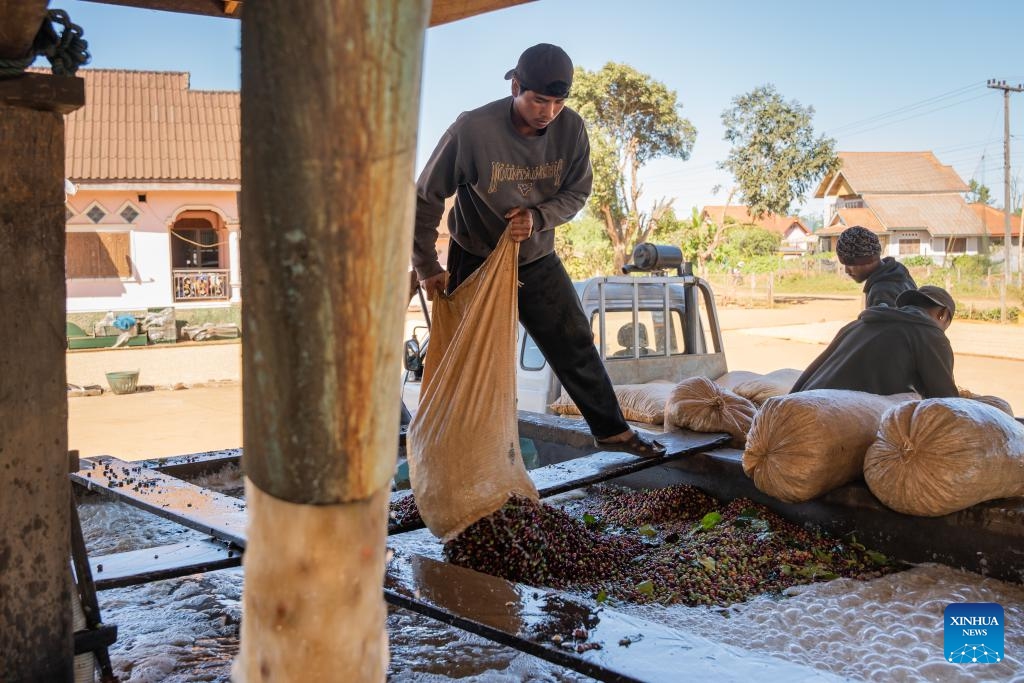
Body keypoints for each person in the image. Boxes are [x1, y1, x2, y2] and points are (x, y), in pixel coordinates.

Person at [411, 43, 665, 457]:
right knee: (468, 359)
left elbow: (577, 192)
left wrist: (539, 216)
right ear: (515, 86)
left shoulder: (572, 131)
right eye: (538, 100)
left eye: (558, 102)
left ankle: (612, 431)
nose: (548, 111)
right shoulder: (472, 130)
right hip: (473, 256)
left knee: (574, 339)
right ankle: (455, 449)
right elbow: (426, 196)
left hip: (535, 257)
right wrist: (426, 265)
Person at [790, 286, 959, 398]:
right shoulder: (930, 335)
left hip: (799, 404)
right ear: (942, 314)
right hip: (835, 420)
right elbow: (946, 402)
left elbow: (813, 370)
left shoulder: (857, 325)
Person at [836, 225, 916, 308]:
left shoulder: (882, 291)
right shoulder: (898, 272)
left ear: (867, 261)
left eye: (850, 264)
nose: (847, 271)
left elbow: (883, 321)